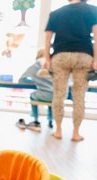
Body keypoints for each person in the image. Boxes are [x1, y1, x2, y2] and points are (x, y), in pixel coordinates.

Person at [44, 0, 97, 141]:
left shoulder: (56, 13)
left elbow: (48, 38)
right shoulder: (92, 10)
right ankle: (75, 133)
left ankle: (59, 131)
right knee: (79, 96)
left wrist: (47, 58)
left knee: (59, 94)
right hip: (84, 55)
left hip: (60, 55)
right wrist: (96, 59)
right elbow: (96, 36)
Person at [16, 49, 54, 132]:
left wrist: (32, 81)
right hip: (56, 96)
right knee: (51, 103)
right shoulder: (53, 64)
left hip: (44, 94)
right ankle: (50, 120)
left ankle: (36, 119)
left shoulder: (37, 64)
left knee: (32, 95)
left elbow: (22, 79)